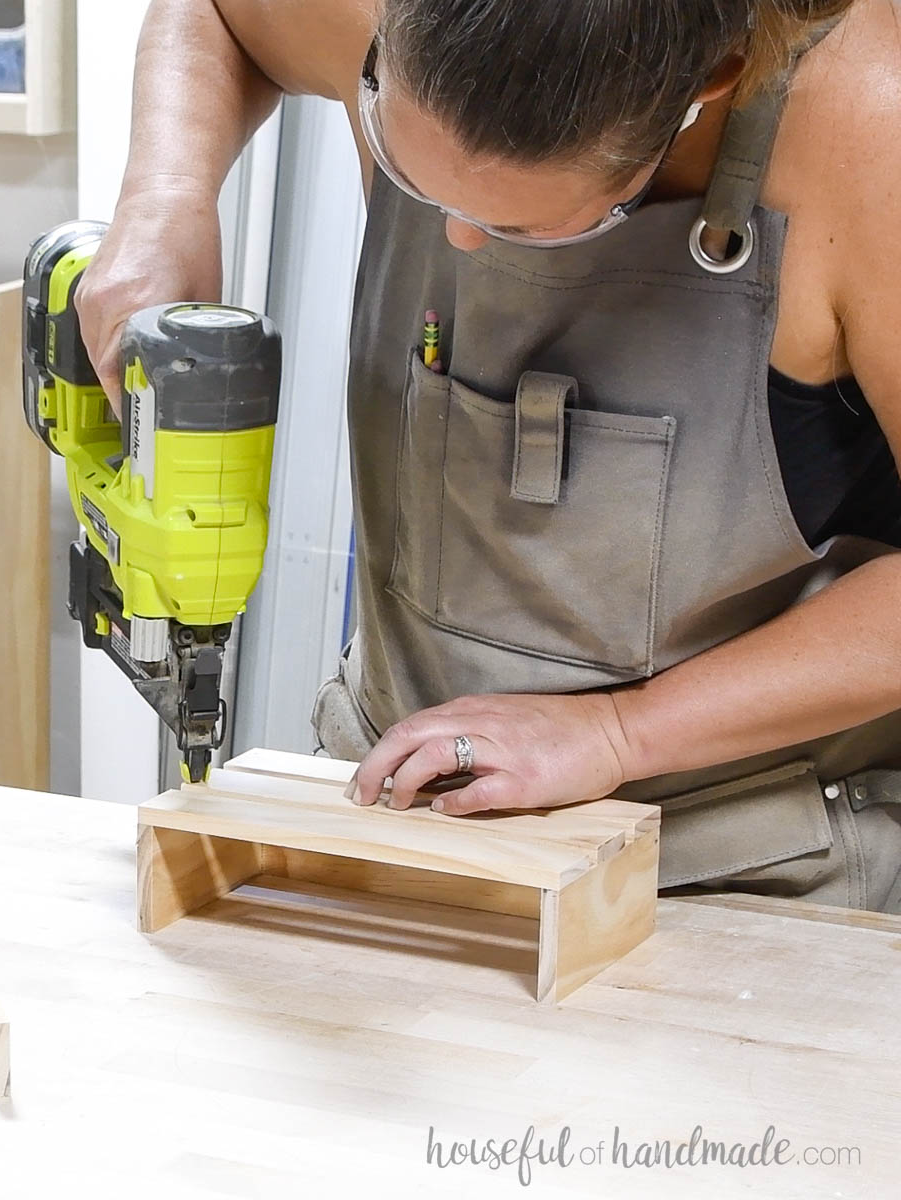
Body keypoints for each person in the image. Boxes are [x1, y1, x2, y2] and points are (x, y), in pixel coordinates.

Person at [76, 0, 901, 912]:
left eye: (526, 225)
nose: (457, 240)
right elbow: (216, 12)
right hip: (396, 815)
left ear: (709, 86)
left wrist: (621, 733)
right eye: (408, 171)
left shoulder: (870, 124)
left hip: (744, 867)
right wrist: (165, 200)